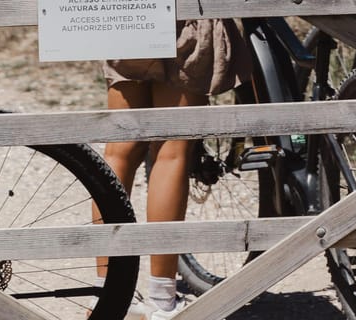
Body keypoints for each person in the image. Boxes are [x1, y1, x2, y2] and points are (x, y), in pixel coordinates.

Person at [91, 19, 250, 319]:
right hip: (187, 17)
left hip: (128, 16)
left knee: (120, 150)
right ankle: (162, 300)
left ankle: (107, 293)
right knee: (171, 150)